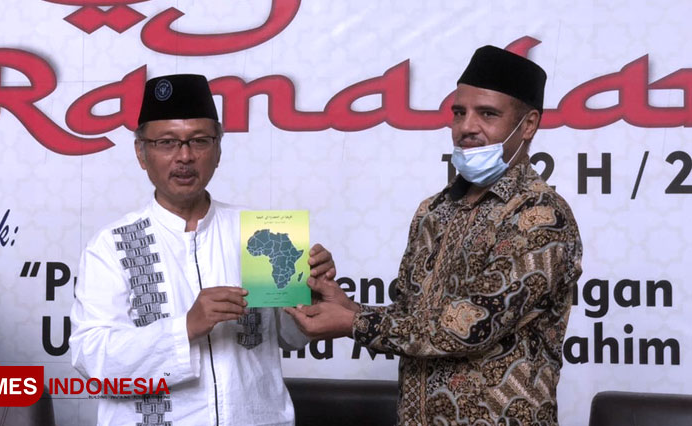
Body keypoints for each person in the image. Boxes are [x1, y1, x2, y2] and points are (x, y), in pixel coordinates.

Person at [286, 46, 583, 425]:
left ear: (528, 124)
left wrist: (351, 325)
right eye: (459, 112)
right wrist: (349, 308)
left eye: (488, 114)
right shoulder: (434, 210)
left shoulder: (539, 217)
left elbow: (472, 327)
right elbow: (417, 322)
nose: (467, 127)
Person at [69, 74, 336, 426]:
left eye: (199, 141)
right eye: (166, 142)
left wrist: (312, 293)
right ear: (141, 153)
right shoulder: (112, 245)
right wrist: (186, 327)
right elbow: (93, 361)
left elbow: (293, 337)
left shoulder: (259, 232)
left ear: (219, 150)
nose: (185, 156)